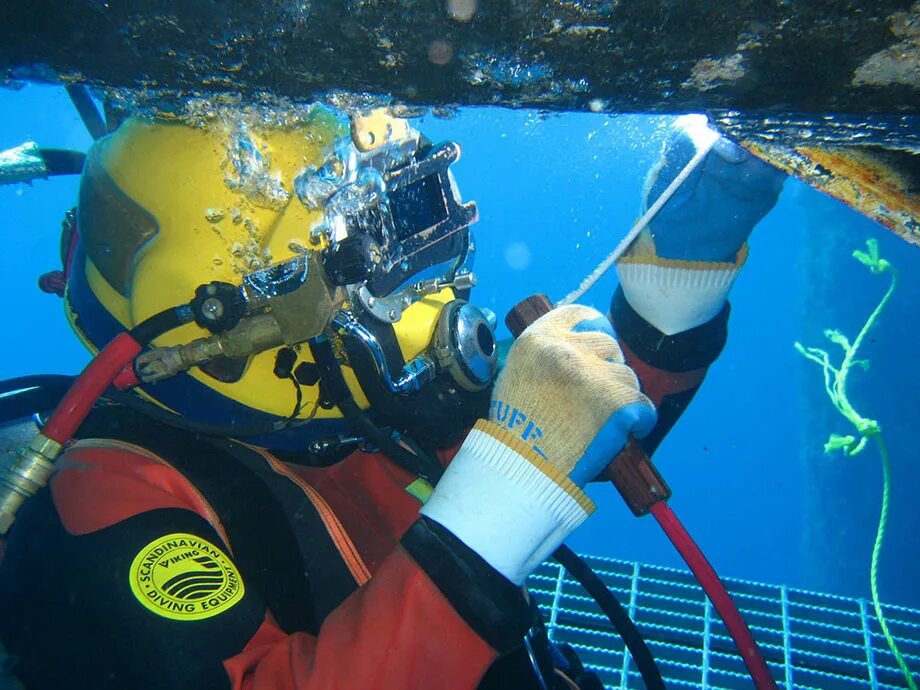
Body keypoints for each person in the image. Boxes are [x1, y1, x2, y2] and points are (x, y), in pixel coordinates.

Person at [0, 106, 784, 689]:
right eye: (356, 277)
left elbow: (584, 428)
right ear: (225, 315)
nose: (410, 307)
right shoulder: (101, 500)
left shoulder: (350, 392)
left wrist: (670, 289)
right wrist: (494, 518)